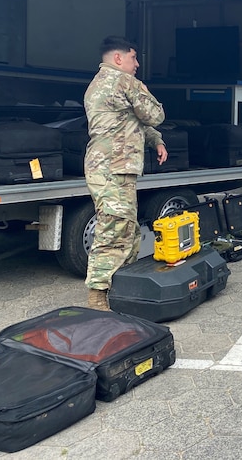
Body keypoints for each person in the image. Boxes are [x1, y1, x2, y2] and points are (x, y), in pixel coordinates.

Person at [84, 36, 168, 311]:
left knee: (127, 230)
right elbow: (155, 114)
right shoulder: (123, 82)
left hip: (110, 167)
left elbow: (133, 122)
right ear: (119, 58)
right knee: (113, 231)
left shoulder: (100, 83)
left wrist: (156, 140)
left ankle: (121, 290)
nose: (137, 64)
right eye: (133, 58)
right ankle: (98, 298)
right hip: (112, 167)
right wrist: (143, 89)